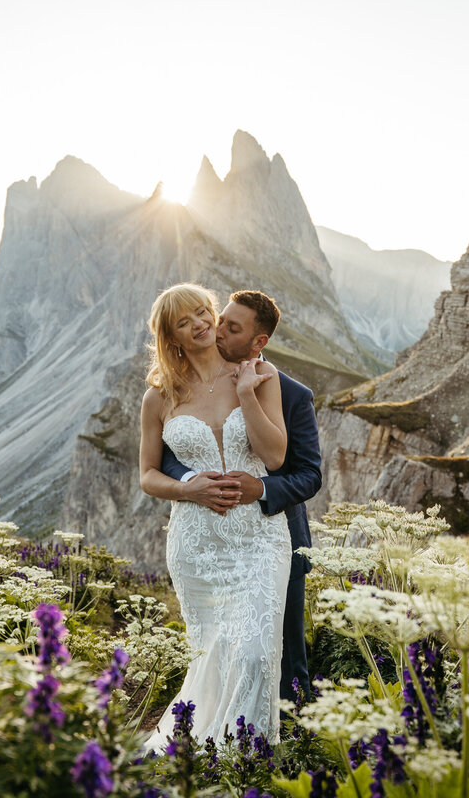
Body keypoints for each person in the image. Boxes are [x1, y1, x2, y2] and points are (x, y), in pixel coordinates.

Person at [138, 283, 292, 746]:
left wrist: (247, 394)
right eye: (184, 322)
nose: (200, 324)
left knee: (258, 653)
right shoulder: (160, 396)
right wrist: (188, 488)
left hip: (260, 538)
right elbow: (147, 475)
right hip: (197, 544)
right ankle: (205, 754)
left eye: (203, 312)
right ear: (173, 338)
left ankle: (248, 758)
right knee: (213, 654)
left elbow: (277, 457)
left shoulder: (262, 375)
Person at [161, 289, 321, 710]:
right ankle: (224, 739)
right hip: (207, 539)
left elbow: (308, 474)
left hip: (271, 536)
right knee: (220, 649)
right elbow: (167, 458)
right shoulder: (184, 387)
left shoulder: (290, 393)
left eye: (231, 328)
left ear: (258, 342)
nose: (215, 330)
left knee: (283, 654)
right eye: (220, 319)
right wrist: (196, 480)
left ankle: (295, 749)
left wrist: (262, 488)